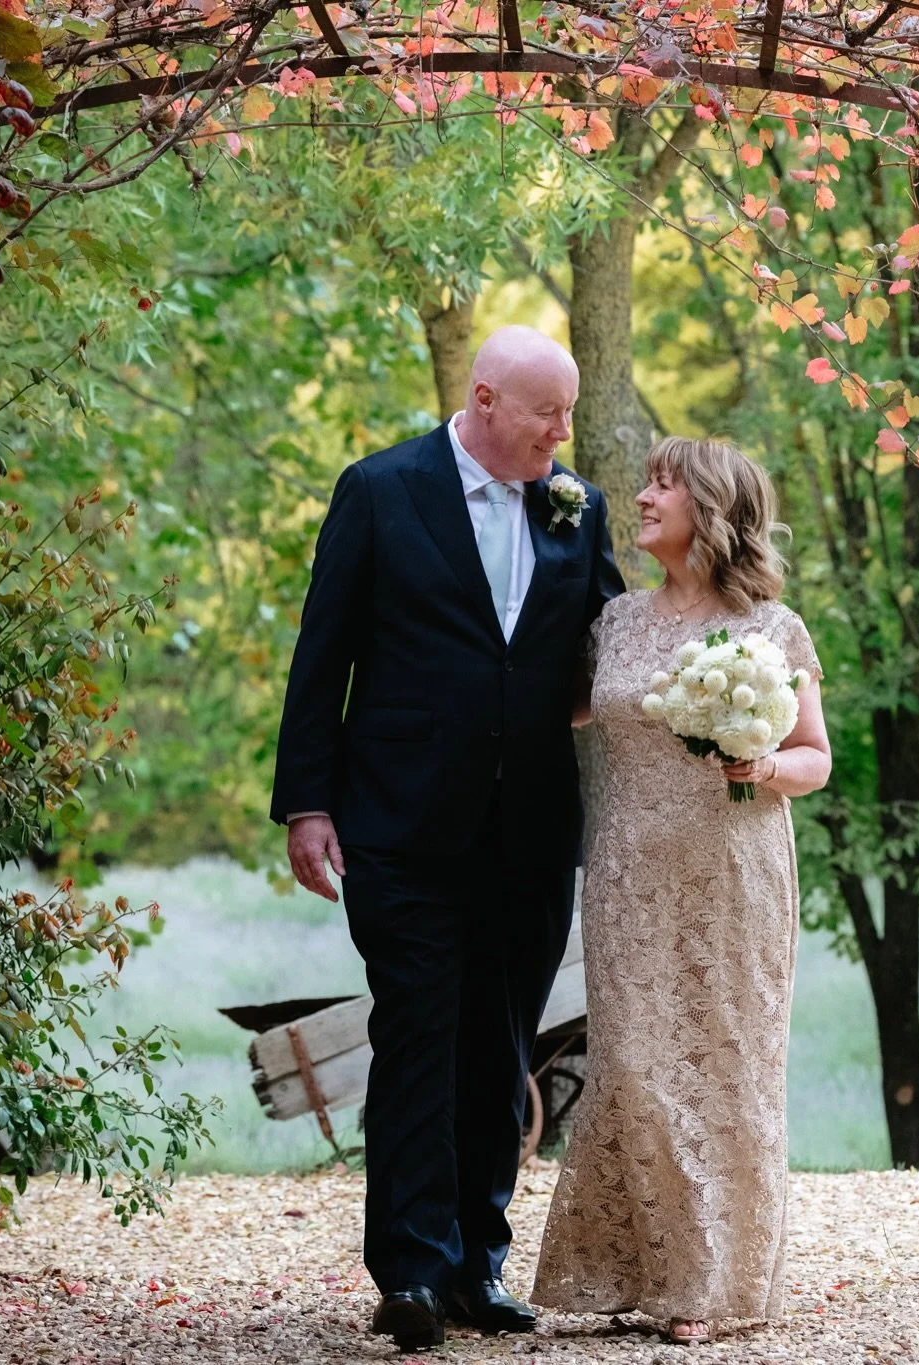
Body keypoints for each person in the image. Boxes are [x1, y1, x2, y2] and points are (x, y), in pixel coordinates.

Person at [270, 326, 623, 1351]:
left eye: (568, 413)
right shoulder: (380, 490)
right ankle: (412, 1273)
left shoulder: (575, 505)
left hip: (530, 829)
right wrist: (307, 803)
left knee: (500, 1046)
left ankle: (478, 1265)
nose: (563, 432)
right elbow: (323, 653)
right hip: (400, 821)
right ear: (484, 399)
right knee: (419, 1036)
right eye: (548, 412)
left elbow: (608, 646)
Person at [532, 436, 831, 1344]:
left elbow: (815, 758)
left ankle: (703, 1285)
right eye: (648, 480)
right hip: (628, 872)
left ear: (711, 509)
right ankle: (632, 1268)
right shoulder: (615, 621)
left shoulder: (772, 628)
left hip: (735, 874)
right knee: (631, 1063)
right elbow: (550, 703)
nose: (643, 495)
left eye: (664, 484)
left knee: (727, 1065)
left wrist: (763, 763)